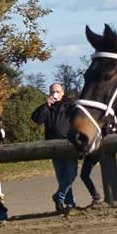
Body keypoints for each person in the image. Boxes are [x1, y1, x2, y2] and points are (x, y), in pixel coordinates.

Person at [32, 82, 77, 213]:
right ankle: (69, 203)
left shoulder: (70, 106)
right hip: (53, 147)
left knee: (71, 174)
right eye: (52, 92)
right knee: (62, 176)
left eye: (57, 91)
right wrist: (46, 106)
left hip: (68, 145)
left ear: (62, 92)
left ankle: (59, 196)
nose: (55, 94)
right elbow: (36, 119)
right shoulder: (47, 107)